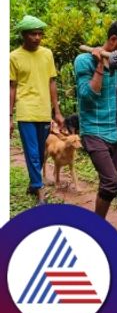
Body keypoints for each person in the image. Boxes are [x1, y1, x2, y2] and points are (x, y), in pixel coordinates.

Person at [74, 19, 117, 219]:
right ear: (113, 40)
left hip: (114, 131)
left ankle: (96, 222)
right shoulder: (84, 61)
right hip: (93, 131)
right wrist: (101, 65)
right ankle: (97, 227)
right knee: (111, 181)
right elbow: (89, 95)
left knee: (113, 182)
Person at [10, 15, 65, 205]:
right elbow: (12, 87)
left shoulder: (47, 54)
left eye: (40, 34)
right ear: (24, 35)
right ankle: (40, 189)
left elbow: (51, 82)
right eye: (33, 34)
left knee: (41, 152)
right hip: (25, 110)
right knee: (32, 152)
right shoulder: (14, 57)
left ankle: (33, 183)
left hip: (43, 110)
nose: (37, 37)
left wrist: (57, 112)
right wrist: (9, 116)